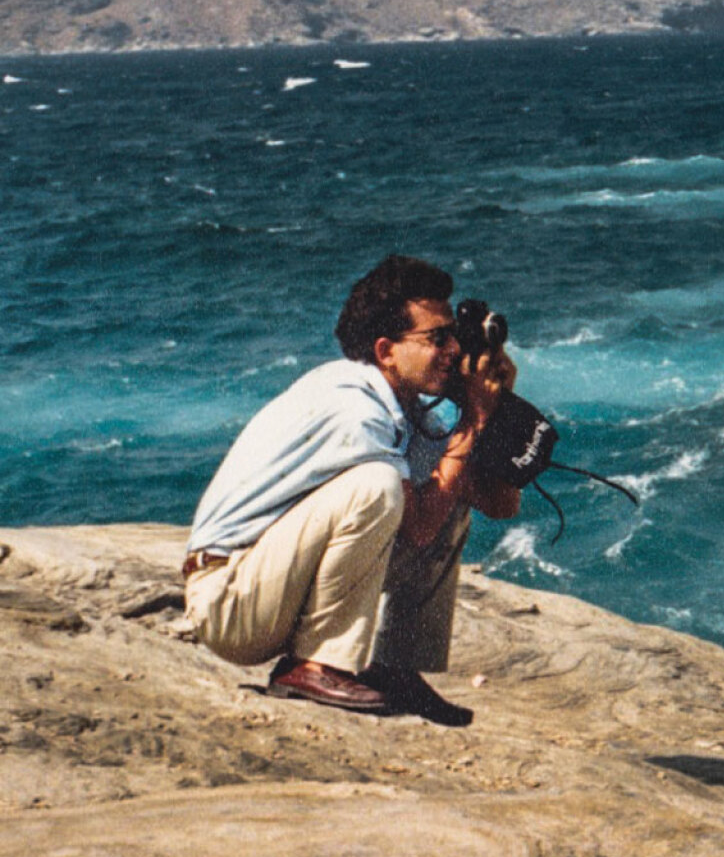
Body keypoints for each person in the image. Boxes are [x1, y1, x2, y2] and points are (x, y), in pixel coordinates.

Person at [182, 255, 520, 723]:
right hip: (232, 601)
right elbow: (419, 528)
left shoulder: (406, 413)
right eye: (436, 338)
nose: (452, 350)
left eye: (454, 337)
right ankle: (315, 664)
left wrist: (494, 408)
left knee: (450, 490)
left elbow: (500, 504)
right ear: (385, 351)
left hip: (276, 592)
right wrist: (472, 421)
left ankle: (394, 667)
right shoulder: (352, 407)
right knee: (378, 486)